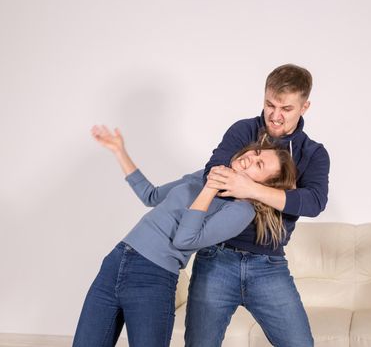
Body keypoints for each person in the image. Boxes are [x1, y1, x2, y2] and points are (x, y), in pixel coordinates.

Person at [72, 125, 296, 347]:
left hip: (153, 277)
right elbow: (151, 196)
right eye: (256, 152)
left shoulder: (241, 211)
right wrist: (120, 151)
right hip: (116, 261)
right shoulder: (204, 174)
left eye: (259, 164)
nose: (250, 158)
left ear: (264, 185)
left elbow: (184, 240)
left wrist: (211, 188)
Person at [185, 64, 330, 346]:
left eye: (286, 108)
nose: (275, 116)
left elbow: (313, 202)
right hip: (217, 259)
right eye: (269, 104)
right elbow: (213, 175)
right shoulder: (244, 130)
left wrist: (249, 187)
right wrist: (281, 196)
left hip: (269, 265)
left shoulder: (313, 153)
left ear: (305, 107)